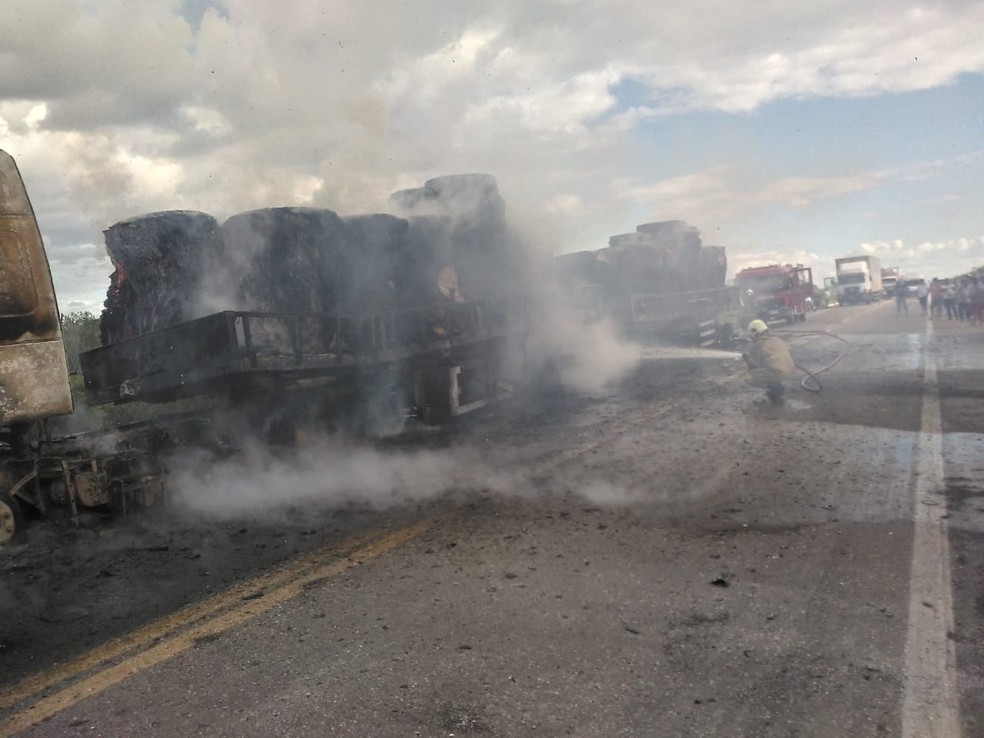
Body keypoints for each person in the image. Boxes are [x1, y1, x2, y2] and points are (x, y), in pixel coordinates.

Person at [743, 319, 795, 403]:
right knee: (771, 368)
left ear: (755, 333)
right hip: (788, 369)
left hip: (776, 373)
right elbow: (788, 349)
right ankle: (777, 386)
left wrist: (746, 359)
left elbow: (753, 364)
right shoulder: (777, 339)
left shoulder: (758, 345)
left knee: (749, 376)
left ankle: (774, 390)